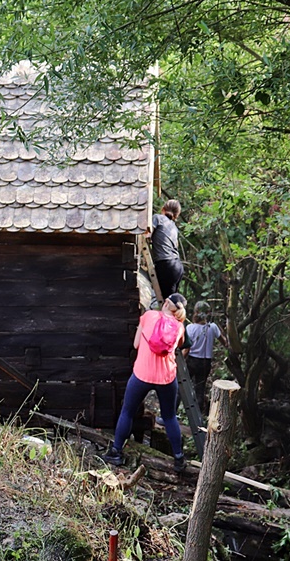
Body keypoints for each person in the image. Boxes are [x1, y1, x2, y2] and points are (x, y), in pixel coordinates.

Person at [102, 293, 189, 473]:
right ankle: (179, 459)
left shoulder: (148, 316)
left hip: (142, 374)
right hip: (166, 377)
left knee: (127, 411)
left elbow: (135, 344)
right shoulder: (180, 326)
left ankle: (116, 452)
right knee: (170, 417)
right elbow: (179, 346)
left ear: (165, 302)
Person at [182, 301, 227, 411]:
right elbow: (225, 342)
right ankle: (198, 418)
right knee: (200, 388)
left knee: (183, 386)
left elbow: (187, 349)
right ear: (208, 313)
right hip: (205, 363)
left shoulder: (190, 328)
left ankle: (174, 412)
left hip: (192, 361)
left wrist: (180, 360)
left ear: (195, 312)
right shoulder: (213, 327)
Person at [151, 199, 183, 300]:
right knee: (172, 302)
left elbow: (146, 235)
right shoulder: (174, 227)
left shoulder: (157, 218)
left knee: (167, 304)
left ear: (163, 209)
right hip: (177, 267)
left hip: (165, 264)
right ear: (176, 215)